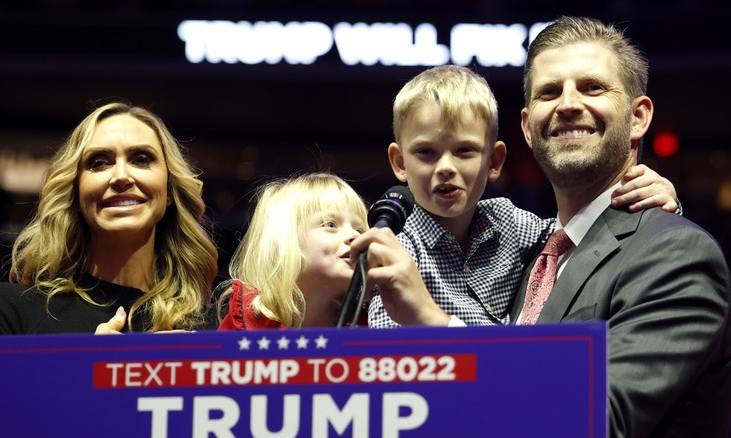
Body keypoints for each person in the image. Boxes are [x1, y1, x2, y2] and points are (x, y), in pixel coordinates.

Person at [509, 16, 731, 436]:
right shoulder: (528, 254)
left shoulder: (677, 255)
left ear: (638, 117)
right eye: (549, 92)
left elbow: (600, 421)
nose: (567, 104)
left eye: (592, 87)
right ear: (527, 127)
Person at [0, 102, 219, 436]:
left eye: (141, 159)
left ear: (168, 192)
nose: (121, 176)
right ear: (76, 192)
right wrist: (84, 378)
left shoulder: (209, 330)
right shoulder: (9, 311)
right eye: (99, 162)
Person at [367, 64, 680, 328]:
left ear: (494, 162)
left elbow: (586, 234)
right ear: (399, 163)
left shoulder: (509, 222)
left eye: (465, 151)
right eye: (426, 152)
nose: (446, 167)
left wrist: (655, 201)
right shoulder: (394, 250)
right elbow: (386, 357)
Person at [216, 172, 443, 330]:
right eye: (330, 224)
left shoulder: (376, 326)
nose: (355, 237)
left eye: (359, 228)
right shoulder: (245, 327)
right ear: (283, 240)